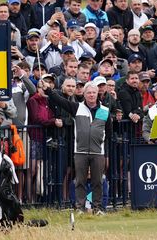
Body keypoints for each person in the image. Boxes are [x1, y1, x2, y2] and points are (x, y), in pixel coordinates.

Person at [48, 82, 112, 215]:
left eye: (93, 92)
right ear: (84, 94)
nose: (91, 95)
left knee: (98, 181)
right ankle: (80, 208)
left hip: (98, 152)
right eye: (88, 92)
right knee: (80, 181)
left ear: (97, 94)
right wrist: (48, 90)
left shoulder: (105, 111)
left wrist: (102, 146)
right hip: (80, 151)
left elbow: (109, 133)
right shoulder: (77, 107)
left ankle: (98, 208)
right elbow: (60, 101)